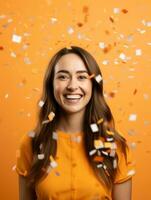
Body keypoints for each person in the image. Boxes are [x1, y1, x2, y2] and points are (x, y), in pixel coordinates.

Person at [15, 46, 135, 200]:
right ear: (51, 85)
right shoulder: (31, 143)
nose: (72, 86)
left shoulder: (115, 145)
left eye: (82, 77)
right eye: (63, 77)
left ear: (93, 85)